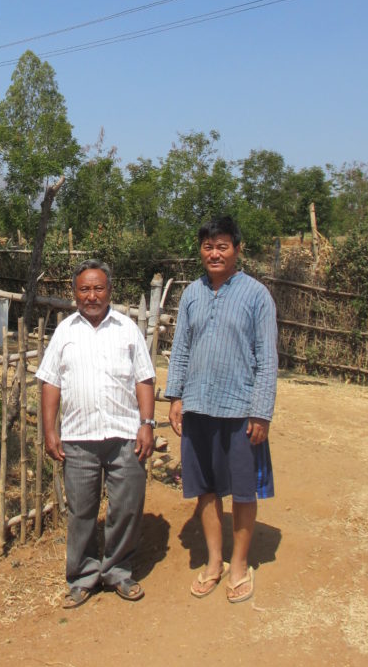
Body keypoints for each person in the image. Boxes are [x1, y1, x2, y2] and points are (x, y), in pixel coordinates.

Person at [165, 216, 277, 604]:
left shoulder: (256, 295)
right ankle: (214, 562)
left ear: (237, 249)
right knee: (206, 489)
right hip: (197, 406)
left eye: (222, 246)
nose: (214, 253)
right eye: (208, 246)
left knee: (244, 491)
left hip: (240, 409)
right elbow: (180, 349)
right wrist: (176, 397)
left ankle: (240, 564)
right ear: (201, 250)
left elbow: (267, 358)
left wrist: (261, 411)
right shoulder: (192, 294)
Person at [37, 259, 156, 608]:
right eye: (85, 289)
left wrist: (146, 425)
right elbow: (50, 382)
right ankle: (83, 577)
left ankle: (118, 570)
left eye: (98, 288)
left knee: (127, 507)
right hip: (79, 437)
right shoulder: (65, 332)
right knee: (82, 512)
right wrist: (50, 431)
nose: (92, 295)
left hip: (124, 435)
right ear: (75, 293)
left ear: (110, 291)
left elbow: (144, 379)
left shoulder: (127, 329)